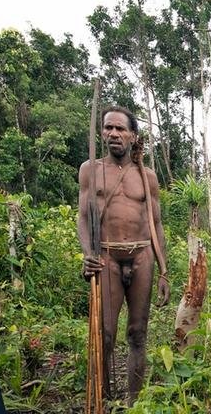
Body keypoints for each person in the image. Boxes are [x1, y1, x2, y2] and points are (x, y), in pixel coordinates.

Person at [77, 106, 170, 403]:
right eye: (108, 128)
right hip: (107, 256)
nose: (113, 134)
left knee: (138, 333)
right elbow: (82, 217)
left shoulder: (147, 176)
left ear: (133, 135)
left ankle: (134, 402)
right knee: (104, 333)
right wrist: (87, 252)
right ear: (102, 132)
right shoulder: (90, 170)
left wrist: (164, 271)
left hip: (142, 256)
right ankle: (103, 399)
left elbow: (155, 224)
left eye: (120, 129)